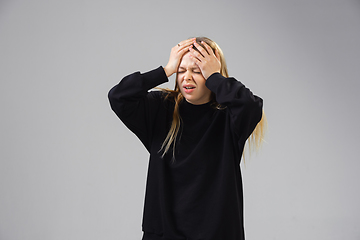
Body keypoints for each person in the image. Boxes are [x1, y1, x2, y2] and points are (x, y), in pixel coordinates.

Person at [108, 37, 266, 240]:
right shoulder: (160, 109)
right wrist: (165, 70)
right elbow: (118, 97)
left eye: (198, 70)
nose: (187, 78)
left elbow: (251, 106)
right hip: (164, 234)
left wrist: (215, 77)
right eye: (181, 71)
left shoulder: (229, 117)